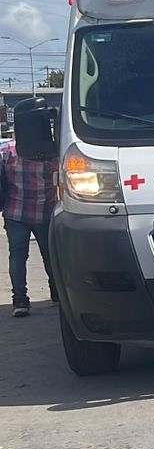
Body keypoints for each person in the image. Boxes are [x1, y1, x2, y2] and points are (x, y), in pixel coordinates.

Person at [0, 136, 58, 318]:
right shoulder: (53, 151)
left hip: (15, 212)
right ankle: (57, 293)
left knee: (17, 255)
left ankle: (20, 300)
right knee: (50, 255)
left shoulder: (7, 150)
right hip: (45, 212)